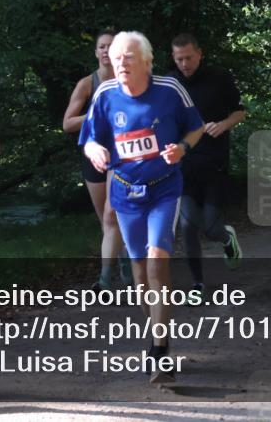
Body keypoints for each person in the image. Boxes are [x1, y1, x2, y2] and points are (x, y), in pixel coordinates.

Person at [80, 31, 204, 384]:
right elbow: (89, 138)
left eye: (129, 58)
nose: (121, 64)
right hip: (124, 193)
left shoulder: (169, 90)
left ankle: (161, 349)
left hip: (164, 189)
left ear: (147, 62)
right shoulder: (105, 94)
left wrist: (181, 148)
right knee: (138, 274)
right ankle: (154, 332)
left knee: (157, 260)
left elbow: (194, 129)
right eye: (117, 58)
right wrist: (95, 150)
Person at [170, 33, 246, 301]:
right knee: (188, 225)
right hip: (184, 167)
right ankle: (198, 284)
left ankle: (227, 239)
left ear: (199, 54)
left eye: (188, 57)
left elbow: (240, 111)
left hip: (214, 163)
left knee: (211, 228)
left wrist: (224, 124)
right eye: (179, 59)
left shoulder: (219, 79)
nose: (184, 64)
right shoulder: (169, 84)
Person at [62, 27, 131, 291]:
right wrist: (95, 111)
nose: (106, 51)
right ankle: (122, 268)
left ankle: (110, 278)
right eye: (102, 46)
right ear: (96, 52)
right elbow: (68, 123)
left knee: (113, 214)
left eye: (111, 46)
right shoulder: (87, 84)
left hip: (122, 157)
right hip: (93, 156)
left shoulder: (129, 82)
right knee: (105, 221)